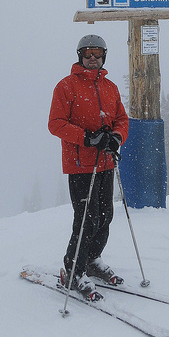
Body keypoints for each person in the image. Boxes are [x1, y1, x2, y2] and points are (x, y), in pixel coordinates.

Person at [48, 34, 129, 300]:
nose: (92, 58)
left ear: (104, 56)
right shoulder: (66, 86)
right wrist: (87, 138)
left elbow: (121, 119)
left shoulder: (110, 87)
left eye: (97, 53)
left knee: (105, 216)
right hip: (80, 164)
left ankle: (92, 259)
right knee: (86, 219)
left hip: (105, 162)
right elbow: (56, 123)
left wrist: (116, 138)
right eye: (87, 53)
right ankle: (73, 270)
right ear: (79, 56)